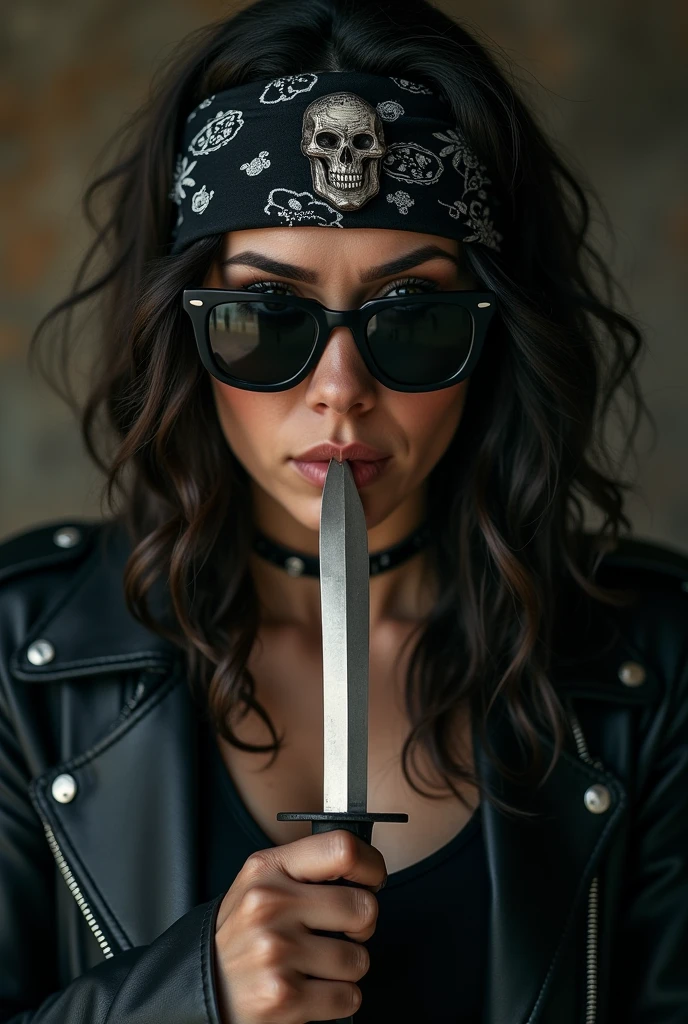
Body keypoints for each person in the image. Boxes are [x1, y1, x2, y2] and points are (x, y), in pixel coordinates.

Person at [1, 0, 686, 1021]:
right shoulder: (22, 662)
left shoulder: (653, 665)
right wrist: (191, 997)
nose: (339, 388)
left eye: (411, 319)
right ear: (184, 331)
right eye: (262, 317)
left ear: (494, 337)